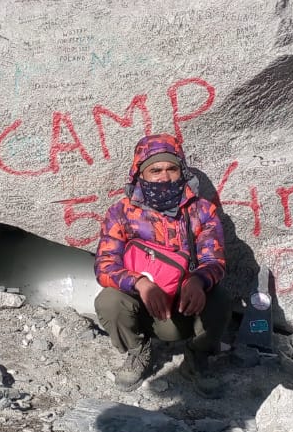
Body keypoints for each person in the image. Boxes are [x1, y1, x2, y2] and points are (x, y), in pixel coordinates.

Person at [93, 134, 230, 396]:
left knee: (220, 299)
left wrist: (198, 280)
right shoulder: (120, 212)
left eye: (171, 169)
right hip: (142, 306)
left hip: (183, 308)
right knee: (109, 301)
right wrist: (140, 283)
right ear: (140, 173)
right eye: (155, 170)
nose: (164, 177)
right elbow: (104, 265)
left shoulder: (201, 211)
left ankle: (197, 356)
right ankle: (138, 351)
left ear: (182, 170)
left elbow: (215, 260)